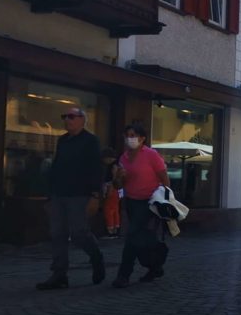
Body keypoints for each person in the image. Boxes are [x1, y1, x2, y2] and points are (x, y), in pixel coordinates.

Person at [37, 107, 105, 290]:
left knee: (79, 232)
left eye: (72, 116)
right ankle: (59, 273)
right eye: (65, 116)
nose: (67, 120)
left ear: (83, 120)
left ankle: (96, 256)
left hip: (80, 194)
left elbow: (96, 169)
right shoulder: (63, 141)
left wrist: (95, 195)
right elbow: (56, 168)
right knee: (57, 233)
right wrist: (49, 195)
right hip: (59, 193)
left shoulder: (90, 141)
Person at [112, 123, 170, 288]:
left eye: (133, 135)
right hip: (131, 201)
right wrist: (119, 177)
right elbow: (118, 185)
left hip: (150, 202)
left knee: (132, 237)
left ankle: (124, 274)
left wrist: (166, 198)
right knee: (143, 239)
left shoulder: (151, 155)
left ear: (142, 138)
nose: (129, 139)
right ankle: (155, 266)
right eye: (127, 135)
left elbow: (164, 177)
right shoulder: (123, 158)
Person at [101, 147, 121, 238]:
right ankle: (116, 229)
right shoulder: (118, 165)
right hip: (117, 190)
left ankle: (110, 230)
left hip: (111, 188)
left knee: (108, 210)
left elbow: (112, 179)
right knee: (115, 210)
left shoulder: (112, 167)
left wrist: (110, 188)